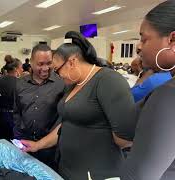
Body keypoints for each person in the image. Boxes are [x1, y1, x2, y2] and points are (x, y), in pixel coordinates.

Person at [21, 31, 136, 180]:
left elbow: (125, 138)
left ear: (72, 62)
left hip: (96, 172)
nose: (56, 75)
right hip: (68, 168)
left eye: (57, 70)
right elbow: (66, 124)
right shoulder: (73, 84)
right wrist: (38, 145)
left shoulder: (108, 80)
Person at [121, 1, 175, 179]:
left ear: (172, 40)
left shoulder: (168, 94)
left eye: (144, 39)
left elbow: (138, 176)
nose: (139, 47)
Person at [13, 44, 65, 169]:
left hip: (50, 147)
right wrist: (19, 135)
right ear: (31, 62)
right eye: (40, 64)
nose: (45, 68)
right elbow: (17, 111)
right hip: (25, 143)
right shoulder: (20, 84)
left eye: (49, 63)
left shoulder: (61, 84)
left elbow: (64, 116)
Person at [0, 58, 23, 140]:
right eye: (21, 67)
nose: (22, 69)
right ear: (16, 69)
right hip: (12, 118)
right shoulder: (19, 82)